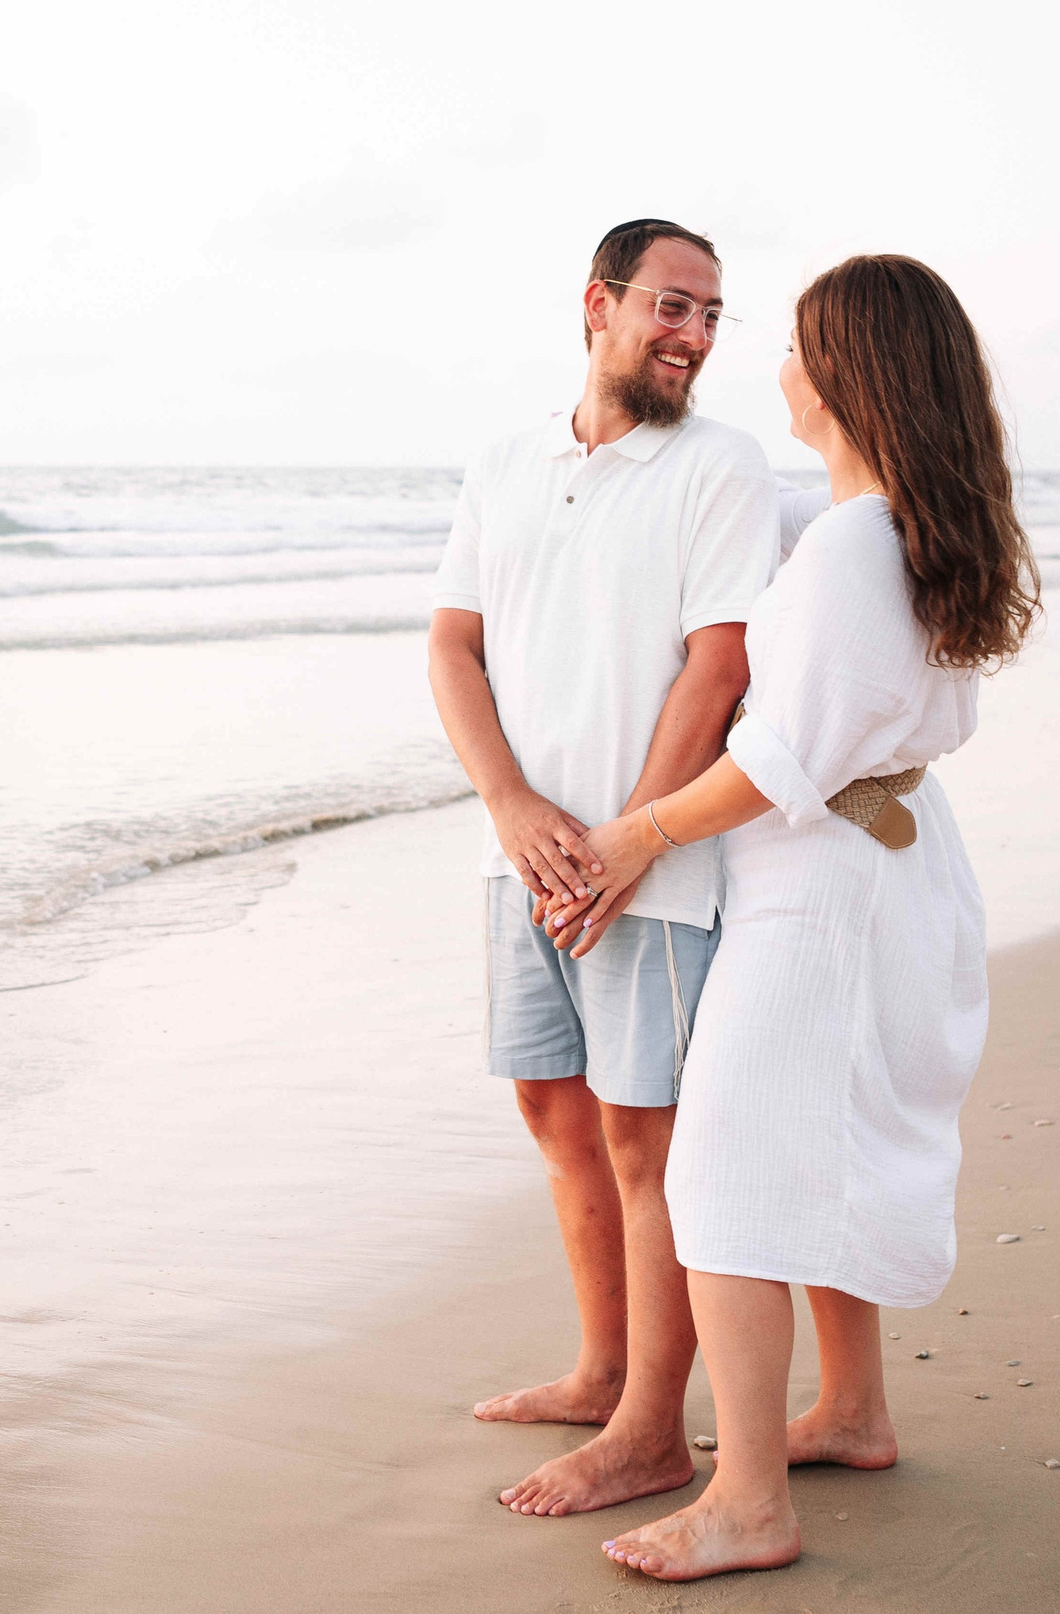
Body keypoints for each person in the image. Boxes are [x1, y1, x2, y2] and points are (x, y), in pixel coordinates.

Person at [536, 253, 1039, 1581]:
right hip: (900, 857)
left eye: (804, 346)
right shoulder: (905, 530)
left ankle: (747, 1498)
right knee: (833, 1139)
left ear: (849, 375)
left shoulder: (844, 555)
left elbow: (773, 765)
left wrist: (632, 833)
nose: (781, 365)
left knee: (726, 1175)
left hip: (821, 890)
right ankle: (855, 1408)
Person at [427, 219, 779, 1517]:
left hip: (655, 864)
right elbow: (454, 648)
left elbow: (721, 665)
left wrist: (630, 841)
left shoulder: (721, 467)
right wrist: (512, 803)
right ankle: (601, 1368)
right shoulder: (505, 462)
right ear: (600, 303)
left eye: (710, 316)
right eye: (673, 307)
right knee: (553, 1110)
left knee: (648, 1135)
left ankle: (649, 1432)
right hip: (515, 853)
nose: (692, 335)